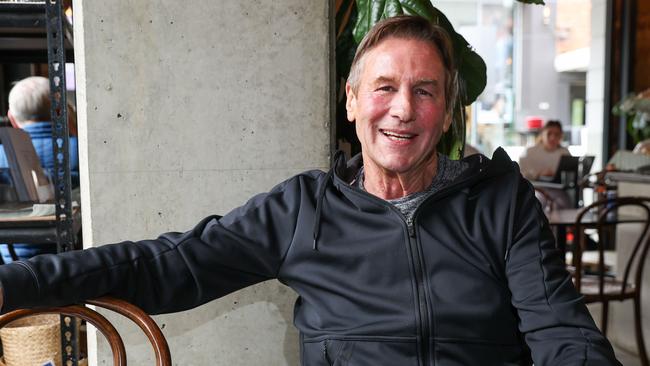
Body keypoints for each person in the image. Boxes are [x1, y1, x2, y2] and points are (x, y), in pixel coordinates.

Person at [0, 16, 620, 365]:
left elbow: (561, 331)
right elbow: (169, 264)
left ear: (448, 112)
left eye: (425, 91)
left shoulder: (500, 202)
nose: (402, 109)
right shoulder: (304, 210)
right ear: (352, 102)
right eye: (383, 88)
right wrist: (16, 282)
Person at [0, 76, 80, 262]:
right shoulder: (80, 150)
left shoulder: (2, 155)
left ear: (12, 118)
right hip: (72, 261)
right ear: (61, 111)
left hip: (13, 267)